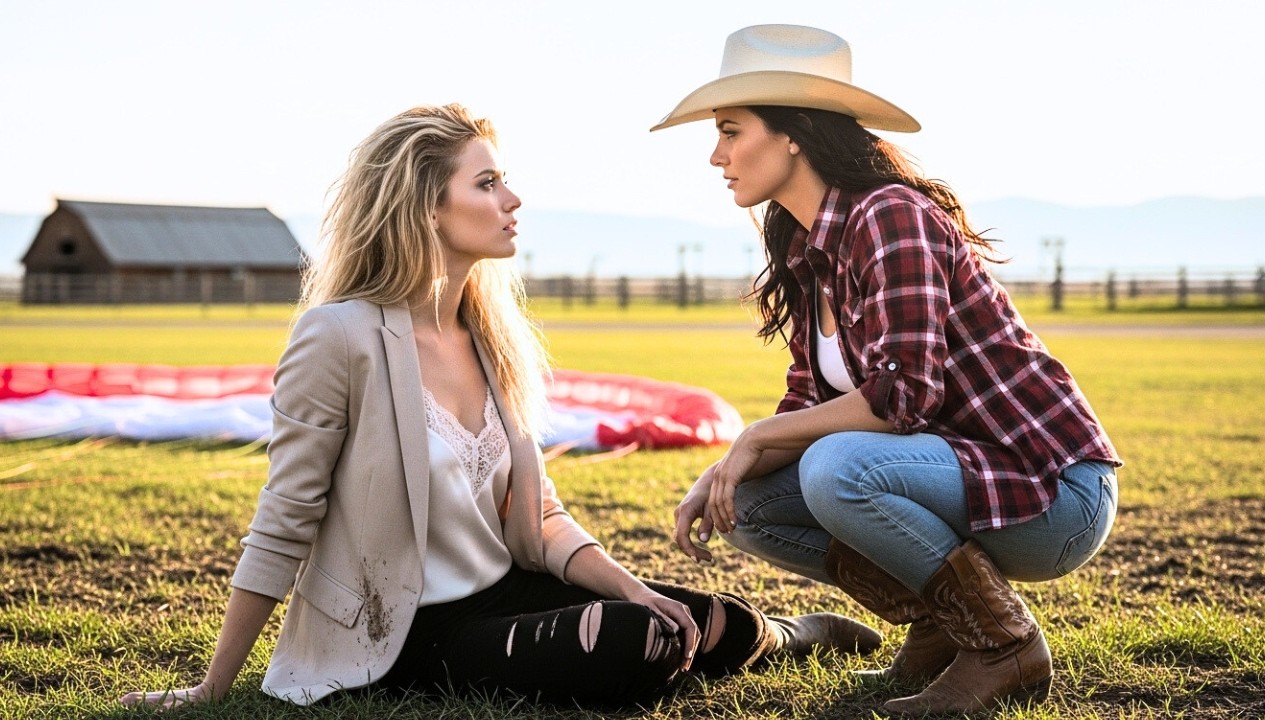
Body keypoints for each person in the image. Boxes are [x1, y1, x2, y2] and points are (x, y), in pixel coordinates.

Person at [119, 103, 882, 711]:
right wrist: (213, 686)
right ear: (424, 207)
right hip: (402, 631)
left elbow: (539, 515)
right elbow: (286, 513)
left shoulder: (488, 335)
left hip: (503, 594)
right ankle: (688, 638)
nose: (512, 199)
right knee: (635, 642)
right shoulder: (339, 334)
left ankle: (784, 635)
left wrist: (633, 584)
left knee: (706, 618)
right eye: (485, 184)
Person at [656, 25, 1122, 717]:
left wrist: (753, 437)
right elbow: (808, 404)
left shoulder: (891, 216)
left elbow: (902, 397)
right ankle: (942, 625)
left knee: (836, 467)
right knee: (748, 507)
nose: (716, 155)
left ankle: (1004, 645)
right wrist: (728, 466)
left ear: (793, 134)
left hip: (1050, 489)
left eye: (730, 130)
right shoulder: (809, 249)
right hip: (959, 479)